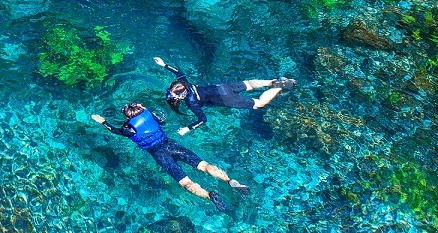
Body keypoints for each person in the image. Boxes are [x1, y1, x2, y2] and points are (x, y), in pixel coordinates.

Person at [91, 103, 248, 212]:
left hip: (159, 155)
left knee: (186, 183)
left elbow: (115, 130)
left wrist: (103, 121)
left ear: (128, 117)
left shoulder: (128, 129)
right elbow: (162, 120)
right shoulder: (150, 116)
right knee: (204, 165)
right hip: (171, 145)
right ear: (141, 110)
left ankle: (209, 196)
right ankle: (230, 181)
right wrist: (146, 110)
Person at [155, 56, 296, 136]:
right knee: (249, 84)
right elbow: (178, 72)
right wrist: (164, 64)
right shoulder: (185, 83)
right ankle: (275, 81)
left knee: (259, 103)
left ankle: (279, 86)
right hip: (222, 87)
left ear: (181, 95)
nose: (170, 95)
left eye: (172, 94)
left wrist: (188, 128)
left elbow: (203, 119)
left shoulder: (192, 103)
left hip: (226, 99)